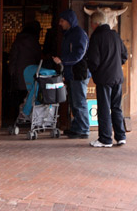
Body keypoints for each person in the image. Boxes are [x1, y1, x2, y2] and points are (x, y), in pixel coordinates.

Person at [85, 10, 128, 147]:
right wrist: (115, 65)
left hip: (104, 78)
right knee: (117, 107)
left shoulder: (96, 38)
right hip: (117, 77)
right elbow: (124, 55)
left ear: (95, 23)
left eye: (92, 23)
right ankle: (121, 136)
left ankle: (105, 139)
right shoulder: (115, 35)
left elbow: (94, 61)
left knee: (104, 108)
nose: (91, 26)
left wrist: (95, 71)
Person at [53, 9, 90, 139]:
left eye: (62, 21)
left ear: (69, 21)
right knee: (74, 103)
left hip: (79, 73)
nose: (60, 23)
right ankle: (77, 128)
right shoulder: (69, 34)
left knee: (79, 102)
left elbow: (78, 55)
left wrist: (62, 60)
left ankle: (84, 129)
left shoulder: (78, 34)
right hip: (72, 74)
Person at [8, 21, 42, 114]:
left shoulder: (18, 40)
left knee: (19, 95)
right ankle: (28, 115)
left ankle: (17, 116)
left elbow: (13, 56)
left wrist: (11, 71)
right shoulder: (34, 41)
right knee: (30, 94)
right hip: (31, 72)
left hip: (18, 72)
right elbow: (38, 56)